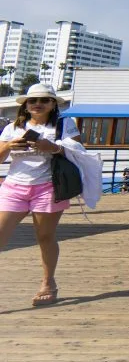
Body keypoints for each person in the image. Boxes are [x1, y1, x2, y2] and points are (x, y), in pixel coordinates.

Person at [0, 83, 86, 306]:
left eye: (44, 100)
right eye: (32, 100)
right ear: (26, 105)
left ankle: (48, 283)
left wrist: (53, 147)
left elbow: (78, 153)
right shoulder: (13, 127)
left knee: (45, 237)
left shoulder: (64, 125)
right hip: (14, 186)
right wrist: (9, 145)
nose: (38, 104)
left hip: (47, 186)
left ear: (53, 104)